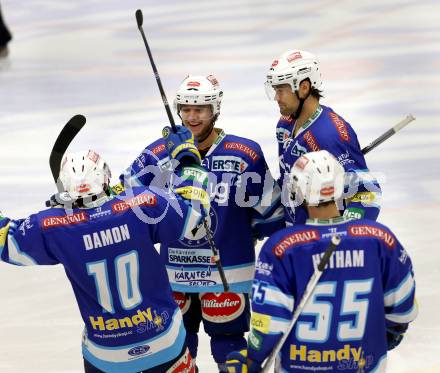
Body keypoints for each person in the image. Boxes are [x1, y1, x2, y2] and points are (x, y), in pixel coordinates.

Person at [0, 126, 209, 373]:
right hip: (164, 340)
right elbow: (195, 218)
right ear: (105, 177)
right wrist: (188, 160)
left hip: (107, 356)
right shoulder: (144, 202)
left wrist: (64, 211)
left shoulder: (50, 226)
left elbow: (6, 242)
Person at [118, 74, 284, 371]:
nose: (192, 117)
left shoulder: (245, 154)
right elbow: (125, 196)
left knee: (229, 343)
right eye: (186, 109)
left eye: (200, 109)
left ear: (215, 109)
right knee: (179, 345)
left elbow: (269, 213)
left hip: (227, 274)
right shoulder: (159, 152)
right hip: (174, 272)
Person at [225, 150, 417, 373]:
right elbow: (402, 309)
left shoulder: (282, 247)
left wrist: (252, 360)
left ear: (297, 191)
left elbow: (269, 324)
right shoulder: (380, 238)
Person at [265, 49, 382, 225]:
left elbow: (368, 193)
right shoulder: (285, 124)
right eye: (275, 90)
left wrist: (343, 231)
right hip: (295, 235)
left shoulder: (330, 135)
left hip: (319, 242)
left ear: (304, 88)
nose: (276, 97)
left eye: (281, 90)